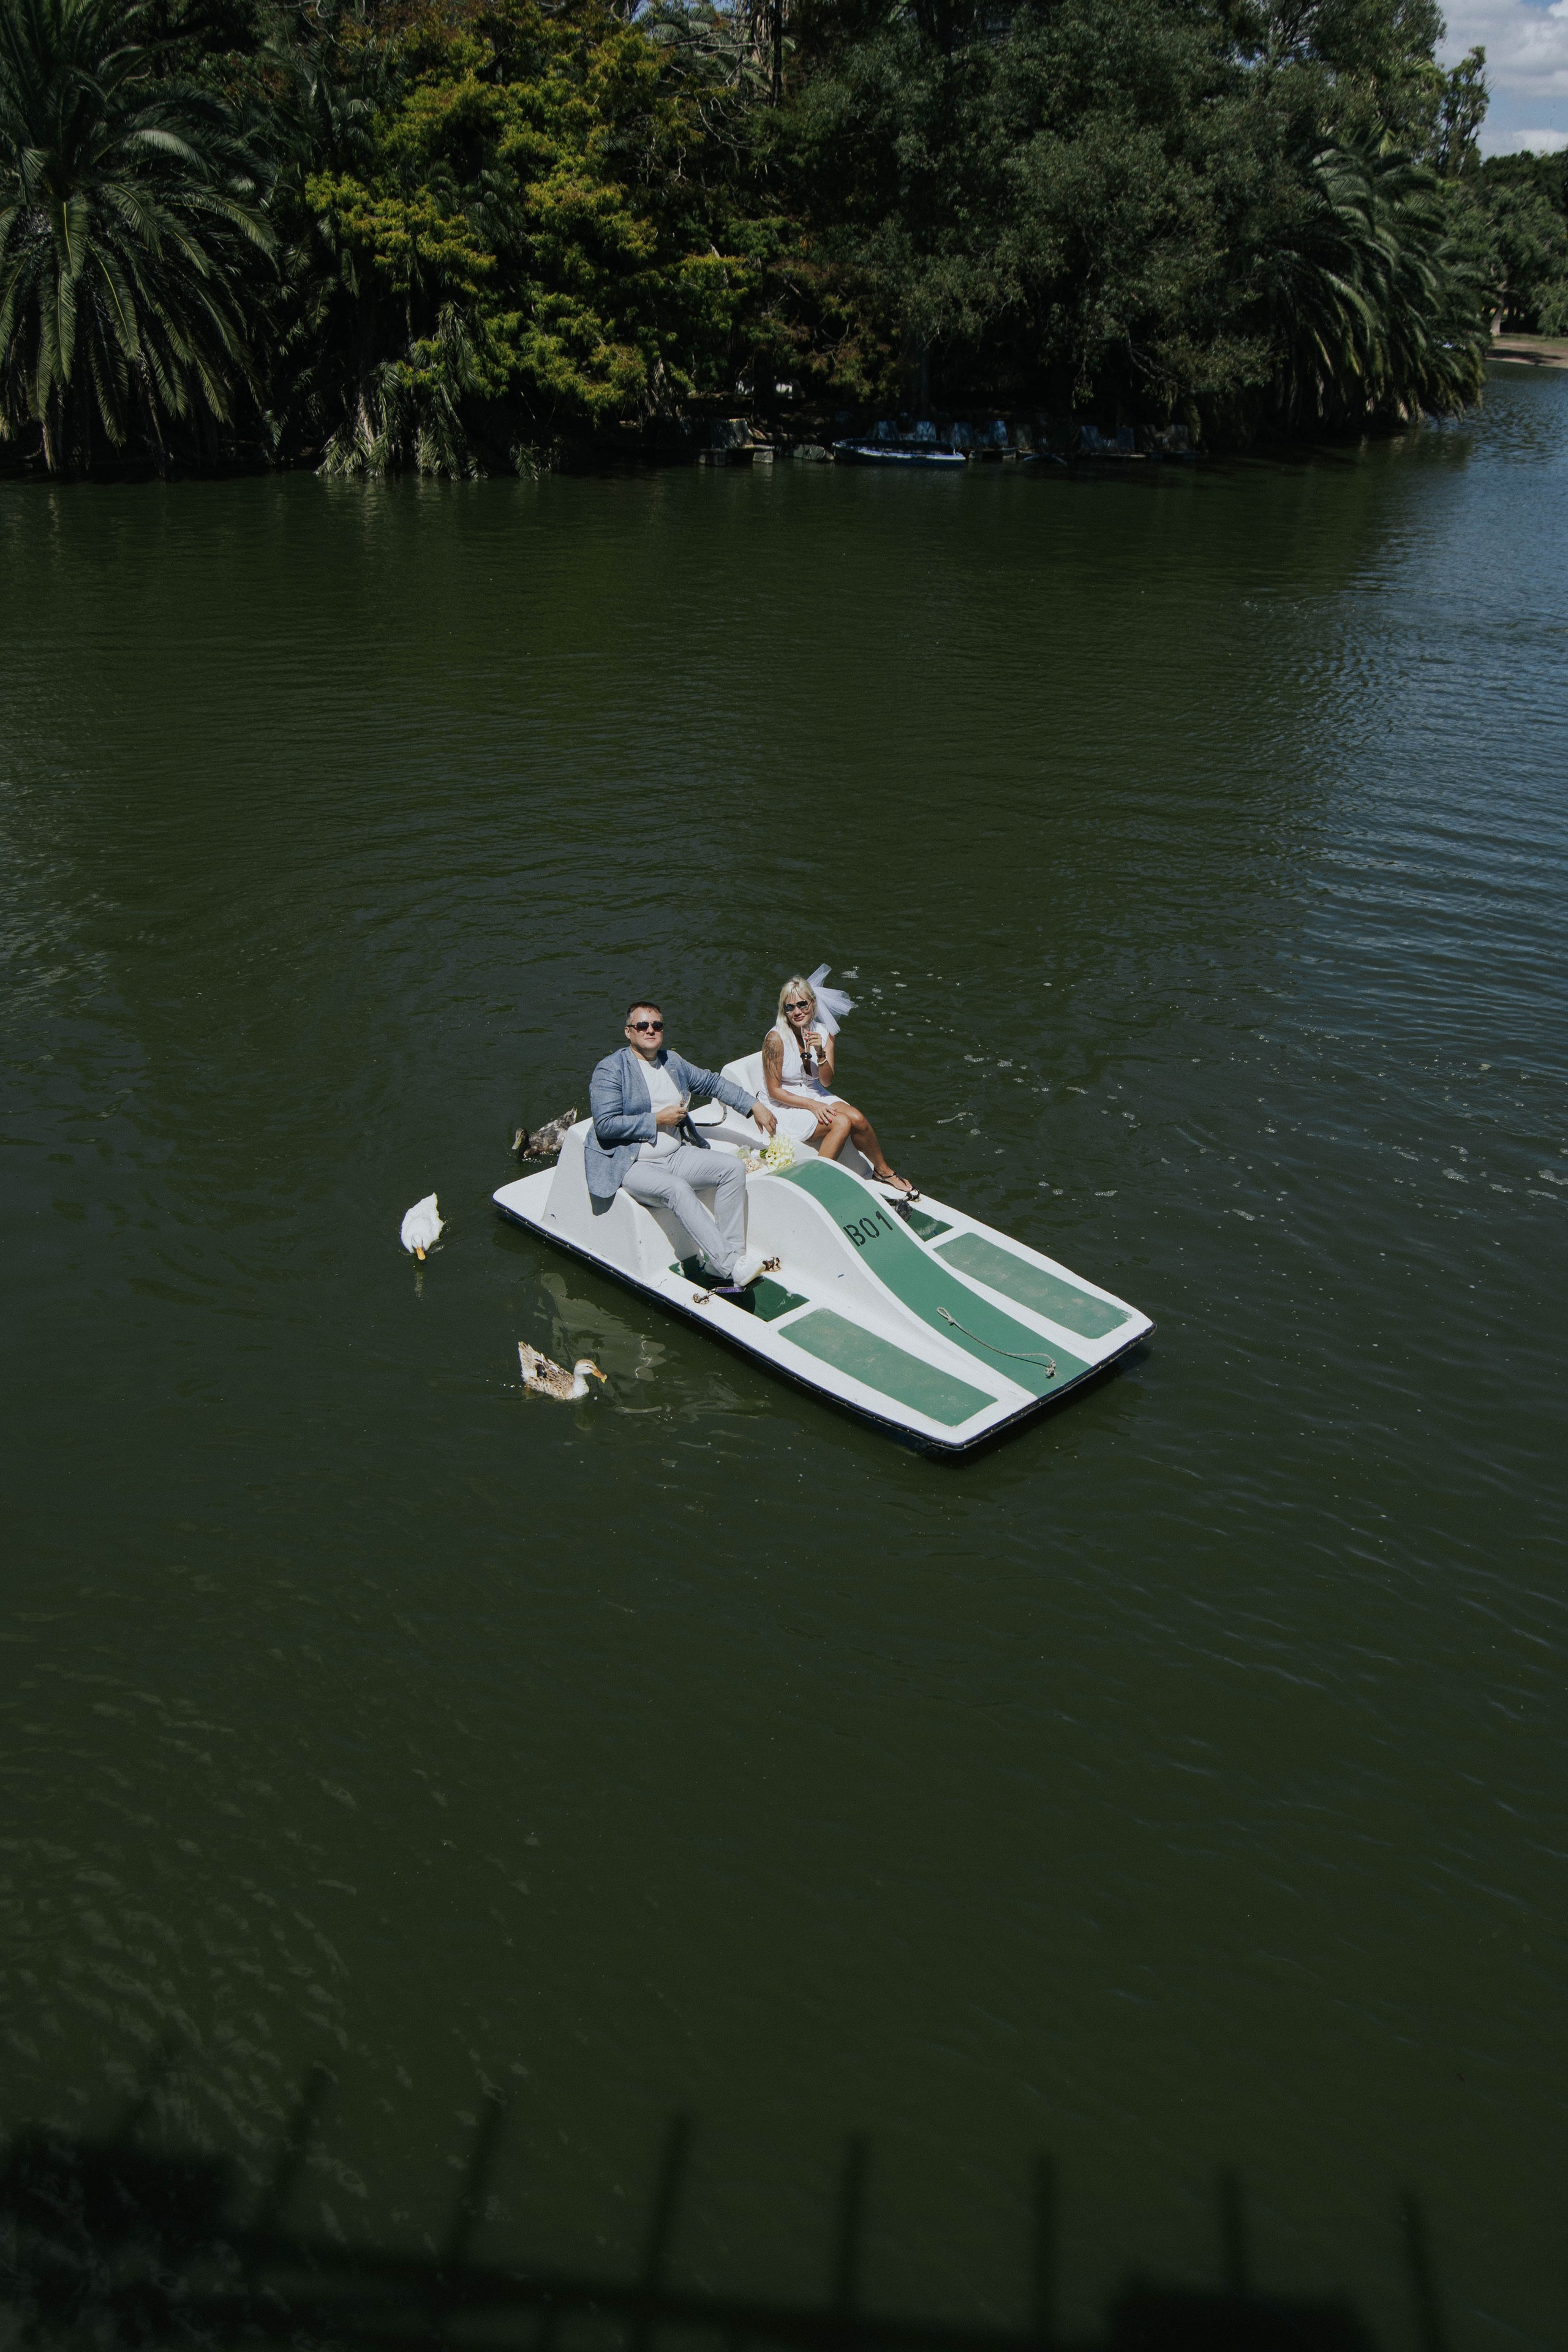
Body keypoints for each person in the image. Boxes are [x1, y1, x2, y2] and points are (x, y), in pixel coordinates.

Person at [587, 998, 780, 1290]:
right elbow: (605, 1124)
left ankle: (724, 1262)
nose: (650, 1031)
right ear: (629, 1032)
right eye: (642, 1025)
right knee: (677, 1189)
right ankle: (732, 1265)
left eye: (657, 1025)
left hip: (675, 1155)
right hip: (632, 1162)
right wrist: (656, 1119)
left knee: (732, 1168)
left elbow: (712, 1083)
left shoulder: (671, 1062)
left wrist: (753, 1105)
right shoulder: (611, 1070)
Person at [763, 974, 914, 1194]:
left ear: (813, 1004)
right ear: (784, 1010)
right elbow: (773, 1090)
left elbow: (826, 1081)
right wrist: (813, 1106)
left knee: (858, 1119)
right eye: (790, 1007)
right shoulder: (775, 1039)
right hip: (784, 1102)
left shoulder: (825, 1033)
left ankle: (883, 1171)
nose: (797, 1012)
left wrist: (820, 1053)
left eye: (802, 1004)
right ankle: (813, 1184)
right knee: (841, 1123)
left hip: (814, 1091)